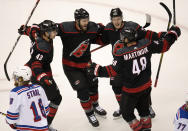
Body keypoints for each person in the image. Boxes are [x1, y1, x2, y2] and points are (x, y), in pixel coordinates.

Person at [87, 25, 181, 130]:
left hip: (131, 91)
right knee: (144, 112)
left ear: (127, 39)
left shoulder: (121, 53)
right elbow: (164, 45)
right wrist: (172, 34)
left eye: (123, 38)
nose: (121, 40)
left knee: (127, 114)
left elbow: (113, 71)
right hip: (146, 87)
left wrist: (96, 69)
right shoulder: (146, 44)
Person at [101, 8, 165, 118]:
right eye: (114, 19)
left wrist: (160, 36)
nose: (116, 21)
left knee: (142, 87)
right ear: (111, 19)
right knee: (116, 86)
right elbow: (102, 39)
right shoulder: (108, 28)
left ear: (122, 18)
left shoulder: (132, 27)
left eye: (119, 18)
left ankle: (147, 106)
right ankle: (123, 107)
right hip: (119, 63)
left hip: (133, 62)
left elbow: (147, 35)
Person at [56, 8, 106, 127]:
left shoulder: (92, 27)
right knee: (83, 90)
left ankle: (95, 105)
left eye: (87, 20)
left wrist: (112, 36)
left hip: (87, 64)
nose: (86, 23)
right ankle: (89, 114)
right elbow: (48, 29)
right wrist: (30, 30)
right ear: (76, 20)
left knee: (93, 85)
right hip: (71, 67)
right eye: (83, 21)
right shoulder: (65, 28)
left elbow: (105, 30)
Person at [18, 20, 62, 130]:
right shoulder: (43, 47)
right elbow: (36, 66)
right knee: (56, 98)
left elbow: (31, 30)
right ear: (46, 32)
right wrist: (43, 78)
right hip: (38, 72)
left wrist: (24, 29)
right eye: (52, 31)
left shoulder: (36, 32)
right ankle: (44, 125)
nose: (55, 33)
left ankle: (38, 122)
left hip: (30, 69)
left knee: (38, 97)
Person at [6, 66, 49, 131]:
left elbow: (11, 118)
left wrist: (9, 121)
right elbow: (46, 110)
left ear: (20, 79)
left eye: (16, 77)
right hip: (44, 128)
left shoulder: (16, 92)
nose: (14, 79)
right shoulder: (39, 88)